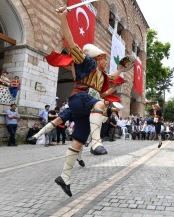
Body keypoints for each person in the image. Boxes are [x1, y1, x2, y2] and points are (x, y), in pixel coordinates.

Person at [45, 6, 131, 197]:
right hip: (79, 99)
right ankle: (95, 143)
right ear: (96, 57)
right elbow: (71, 41)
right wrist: (63, 18)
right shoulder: (85, 61)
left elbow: (108, 82)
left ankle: (64, 177)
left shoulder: (100, 75)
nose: (104, 61)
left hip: (87, 106)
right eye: (103, 58)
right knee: (99, 104)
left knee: (77, 142)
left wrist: (121, 71)